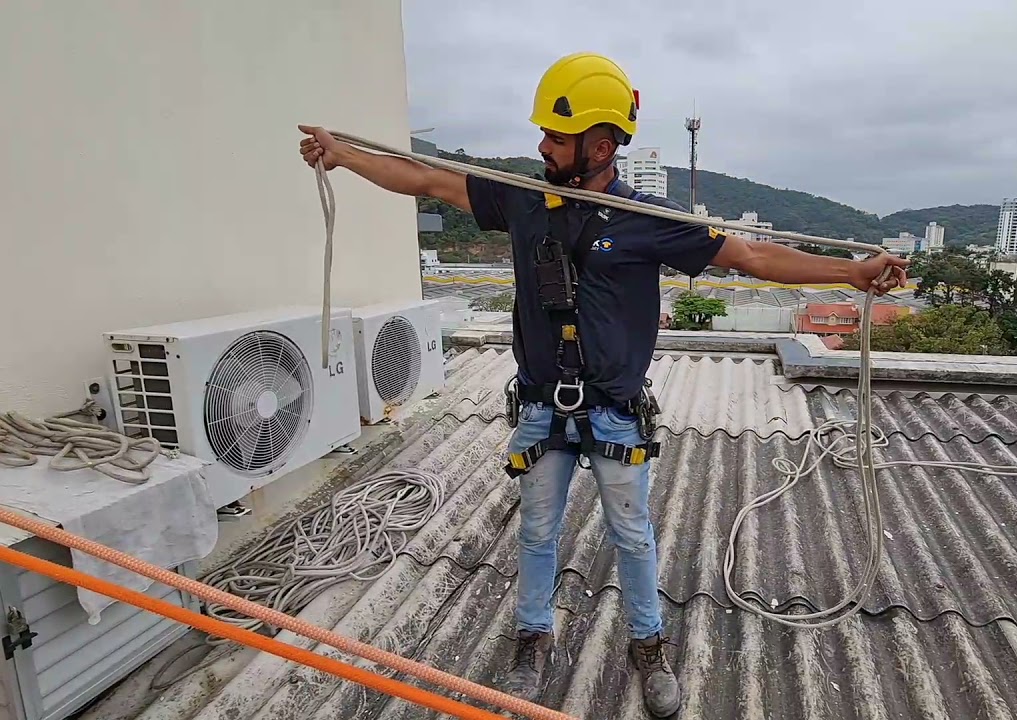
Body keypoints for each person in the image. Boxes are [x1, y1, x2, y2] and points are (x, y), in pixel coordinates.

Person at [300, 51, 909, 718]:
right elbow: (426, 180)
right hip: (540, 409)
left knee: (632, 535)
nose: (541, 145)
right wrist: (344, 156)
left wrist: (850, 273)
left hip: (614, 413)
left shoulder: (648, 221)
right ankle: (534, 636)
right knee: (536, 533)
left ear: (598, 143)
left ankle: (647, 645)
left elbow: (753, 255)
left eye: (555, 137)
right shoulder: (524, 201)